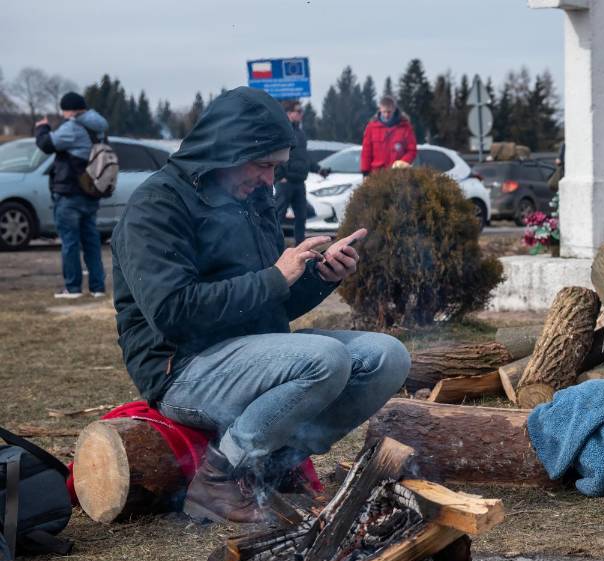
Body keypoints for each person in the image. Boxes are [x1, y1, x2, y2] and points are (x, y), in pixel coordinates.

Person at [111, 87, 411, 524]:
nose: (271, 180)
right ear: (227, 151)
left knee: (387, 356)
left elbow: (272, 307)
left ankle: (271, 469)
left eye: (277, 167)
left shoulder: (251, 200)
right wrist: (275, 276)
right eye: (264, 165)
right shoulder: (156, 205)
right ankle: (217, 478)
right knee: (325, 359)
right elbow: (172, 313)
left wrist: (318, 277)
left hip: (252, 358)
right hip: (183, 370)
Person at [34, 92, 109, 299]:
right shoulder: (99, 127)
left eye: (64, 110)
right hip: (91, 191)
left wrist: (42, 128)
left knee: (70, 242)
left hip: (70, 193)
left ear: (70, 109)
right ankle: (97, 287)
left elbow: (47, 145)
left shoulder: (73, 127)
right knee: (92, 242)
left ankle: (73, 288)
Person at [275, 100, 310, 245]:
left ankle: (301, 248)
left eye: (301, 111)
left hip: (299, 181)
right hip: (285, 183)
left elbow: (303, 156)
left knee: (301, 216)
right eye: (298, 111)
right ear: (289, 114)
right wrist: (279, 176)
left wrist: (318, 168)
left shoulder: (301, 133)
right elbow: (275, 154)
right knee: (278, 216)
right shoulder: (281, 131)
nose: (301, 114)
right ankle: (274, 246)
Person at [360, 96, 417, 175]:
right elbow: (366, 151)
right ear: (380, 109)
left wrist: (402, 163)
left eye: (389, 112)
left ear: (394, 109)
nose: (386, 115)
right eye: (384, 112)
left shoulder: (405, 127)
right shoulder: (371, 127)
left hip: (398, 174)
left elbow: (412, 150)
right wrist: (365, 171)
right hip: (377, 174)